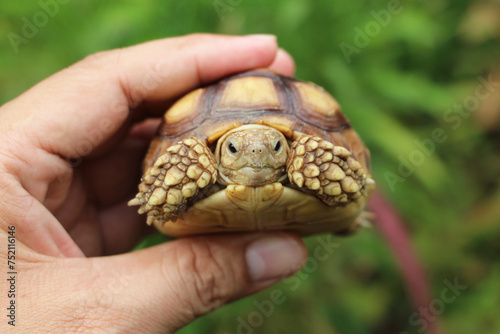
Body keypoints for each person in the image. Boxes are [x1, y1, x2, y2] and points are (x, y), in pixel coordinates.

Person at [0, 34, 308, 333]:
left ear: (287, 148)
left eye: (276, 146)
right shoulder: (197, 158)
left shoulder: (304, 156)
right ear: (220, 151)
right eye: (233, 148)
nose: (255, 153)